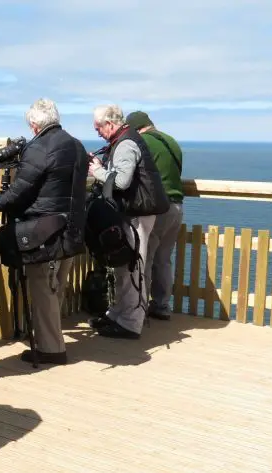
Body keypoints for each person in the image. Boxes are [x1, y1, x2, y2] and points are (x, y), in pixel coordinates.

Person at [0, 99, 88, 364]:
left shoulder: (39, 147)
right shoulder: (76, 145)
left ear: (34, 124)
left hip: (45, 231)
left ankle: (51, 349)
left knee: (43, 286)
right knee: (56, 286)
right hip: (72, 225)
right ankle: (50, 339)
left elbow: (20, 191)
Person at [88, 104, 169, 339]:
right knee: (125, 265)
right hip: (135, 212)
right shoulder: (125, 140)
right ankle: (117, 315)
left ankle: (131, 323)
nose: (98, 133)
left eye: (98, 128)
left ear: (110, 124)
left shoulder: (125, 144)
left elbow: (121, 182)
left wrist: (98, 171)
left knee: (133, 267)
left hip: (138, 213)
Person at [125, 111, 184, 320]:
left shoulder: (143, 142)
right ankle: (161, 305)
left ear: (135, 128)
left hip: (158, 208)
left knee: (145, 258)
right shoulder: (172, 141)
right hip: (177, 207)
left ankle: (139, 307)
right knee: (164, 259)